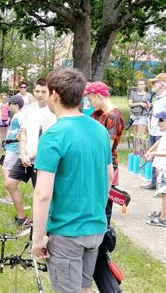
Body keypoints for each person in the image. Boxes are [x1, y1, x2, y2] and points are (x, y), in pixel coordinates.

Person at [31, 67, 114, 293]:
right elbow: (109, 176)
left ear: (55, 94)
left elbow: (42, 193)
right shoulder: (99, 130)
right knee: (84, 288)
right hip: (95, 229)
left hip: (67, 232)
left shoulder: (53, 135)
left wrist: (37, 239)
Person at [6, 78, 56, 226]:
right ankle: (21, 217)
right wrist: (22, 153)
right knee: (10, 184)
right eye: (37, 91)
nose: (40, 94)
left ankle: (37, 224)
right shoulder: (29, 110)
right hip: (25, 156)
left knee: (39, 193)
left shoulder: (53, 113)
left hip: (41, 159)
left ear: (50, 93)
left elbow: (48, 140)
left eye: (43, 91)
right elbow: (24, 133)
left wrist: (31, 155)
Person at [85, 81, 124, 225]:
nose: (89, 103)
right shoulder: (97, 114)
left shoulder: (113, 117)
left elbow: (106, 148)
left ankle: (103, 240)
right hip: (92, 162)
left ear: (98, 96)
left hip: (105, 164)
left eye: (90, 99)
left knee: (103, 204)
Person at [143, 73, 166, 190]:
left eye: (155, 82)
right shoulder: (158, 97)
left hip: (161, 132)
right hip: (155, 130)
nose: (153, 85)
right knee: (155, 159)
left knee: (160, 158)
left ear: (161, 84)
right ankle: (154, 182)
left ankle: (160, 184)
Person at [145, 110, 166, 227]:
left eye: (161, 120)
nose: (158, 123)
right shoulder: (164, 133)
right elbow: (159, 142)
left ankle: (163, 218)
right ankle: (163, 213)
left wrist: (154, 154)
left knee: (164, 193)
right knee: (163, 192)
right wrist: (150, 151)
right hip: (162, 168)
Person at [1, 95, 24, 202]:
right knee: (9, 170)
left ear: (15, 105)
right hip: (11, 146)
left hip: (14, 148)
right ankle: (13, 193)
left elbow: (24, 129)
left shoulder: (19, 116)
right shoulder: (17, 115)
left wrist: (18, 137)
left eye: (9, 103)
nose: (8, 105)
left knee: (6, 170)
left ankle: (10, 196)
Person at [128, 79, 151, 154]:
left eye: (141, 84)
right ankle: (136, 151)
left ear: (145, 85)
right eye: (138, 84)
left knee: (141, 135)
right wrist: (140, 103)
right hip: (134, 116)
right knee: (135, 135)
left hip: (143, 116)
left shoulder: (148, 95)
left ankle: (143, 152)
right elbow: (129, 104)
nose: (139, 86)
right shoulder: (133, 94)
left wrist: (147, 104)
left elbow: (150, 107)